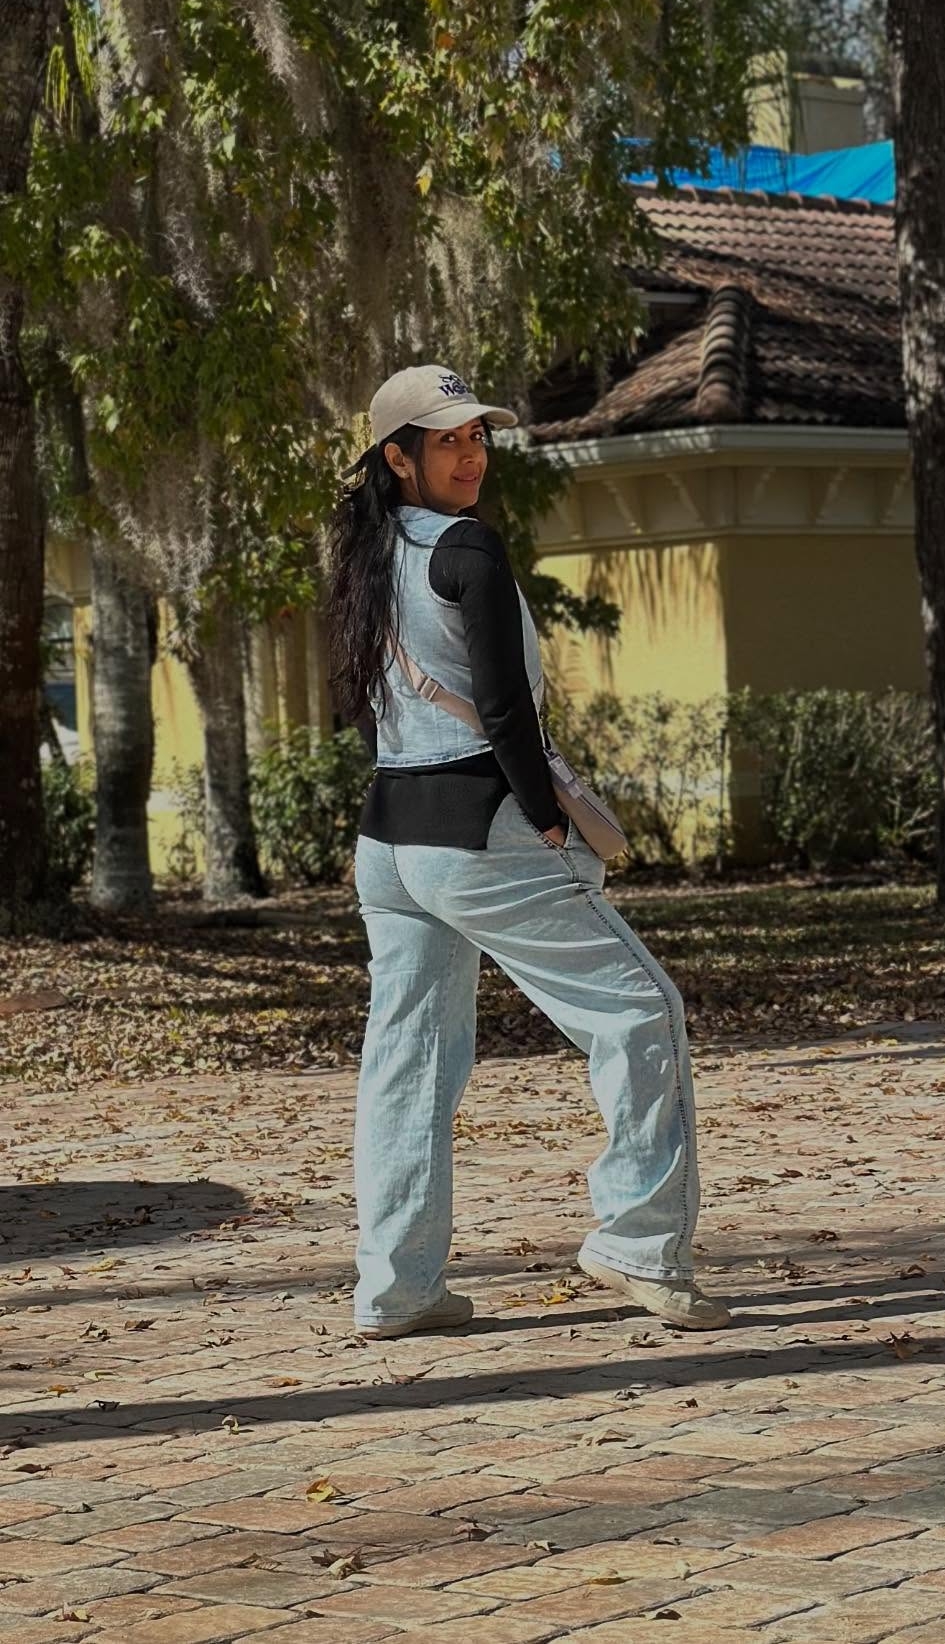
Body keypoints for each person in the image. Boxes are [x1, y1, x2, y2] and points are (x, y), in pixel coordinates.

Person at [328, 364, 729, 1341]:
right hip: (480, 828)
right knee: (643, 1010)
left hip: (389, 837)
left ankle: (397, 1287)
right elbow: (505, 702)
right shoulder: (465, 546)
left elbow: (365, 705)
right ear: (398, 457)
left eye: (478, 436)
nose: (472, 455)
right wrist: (547, 817)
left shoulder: (366, 553)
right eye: (448, 439)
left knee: (409, 1060)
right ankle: (640, 1238)